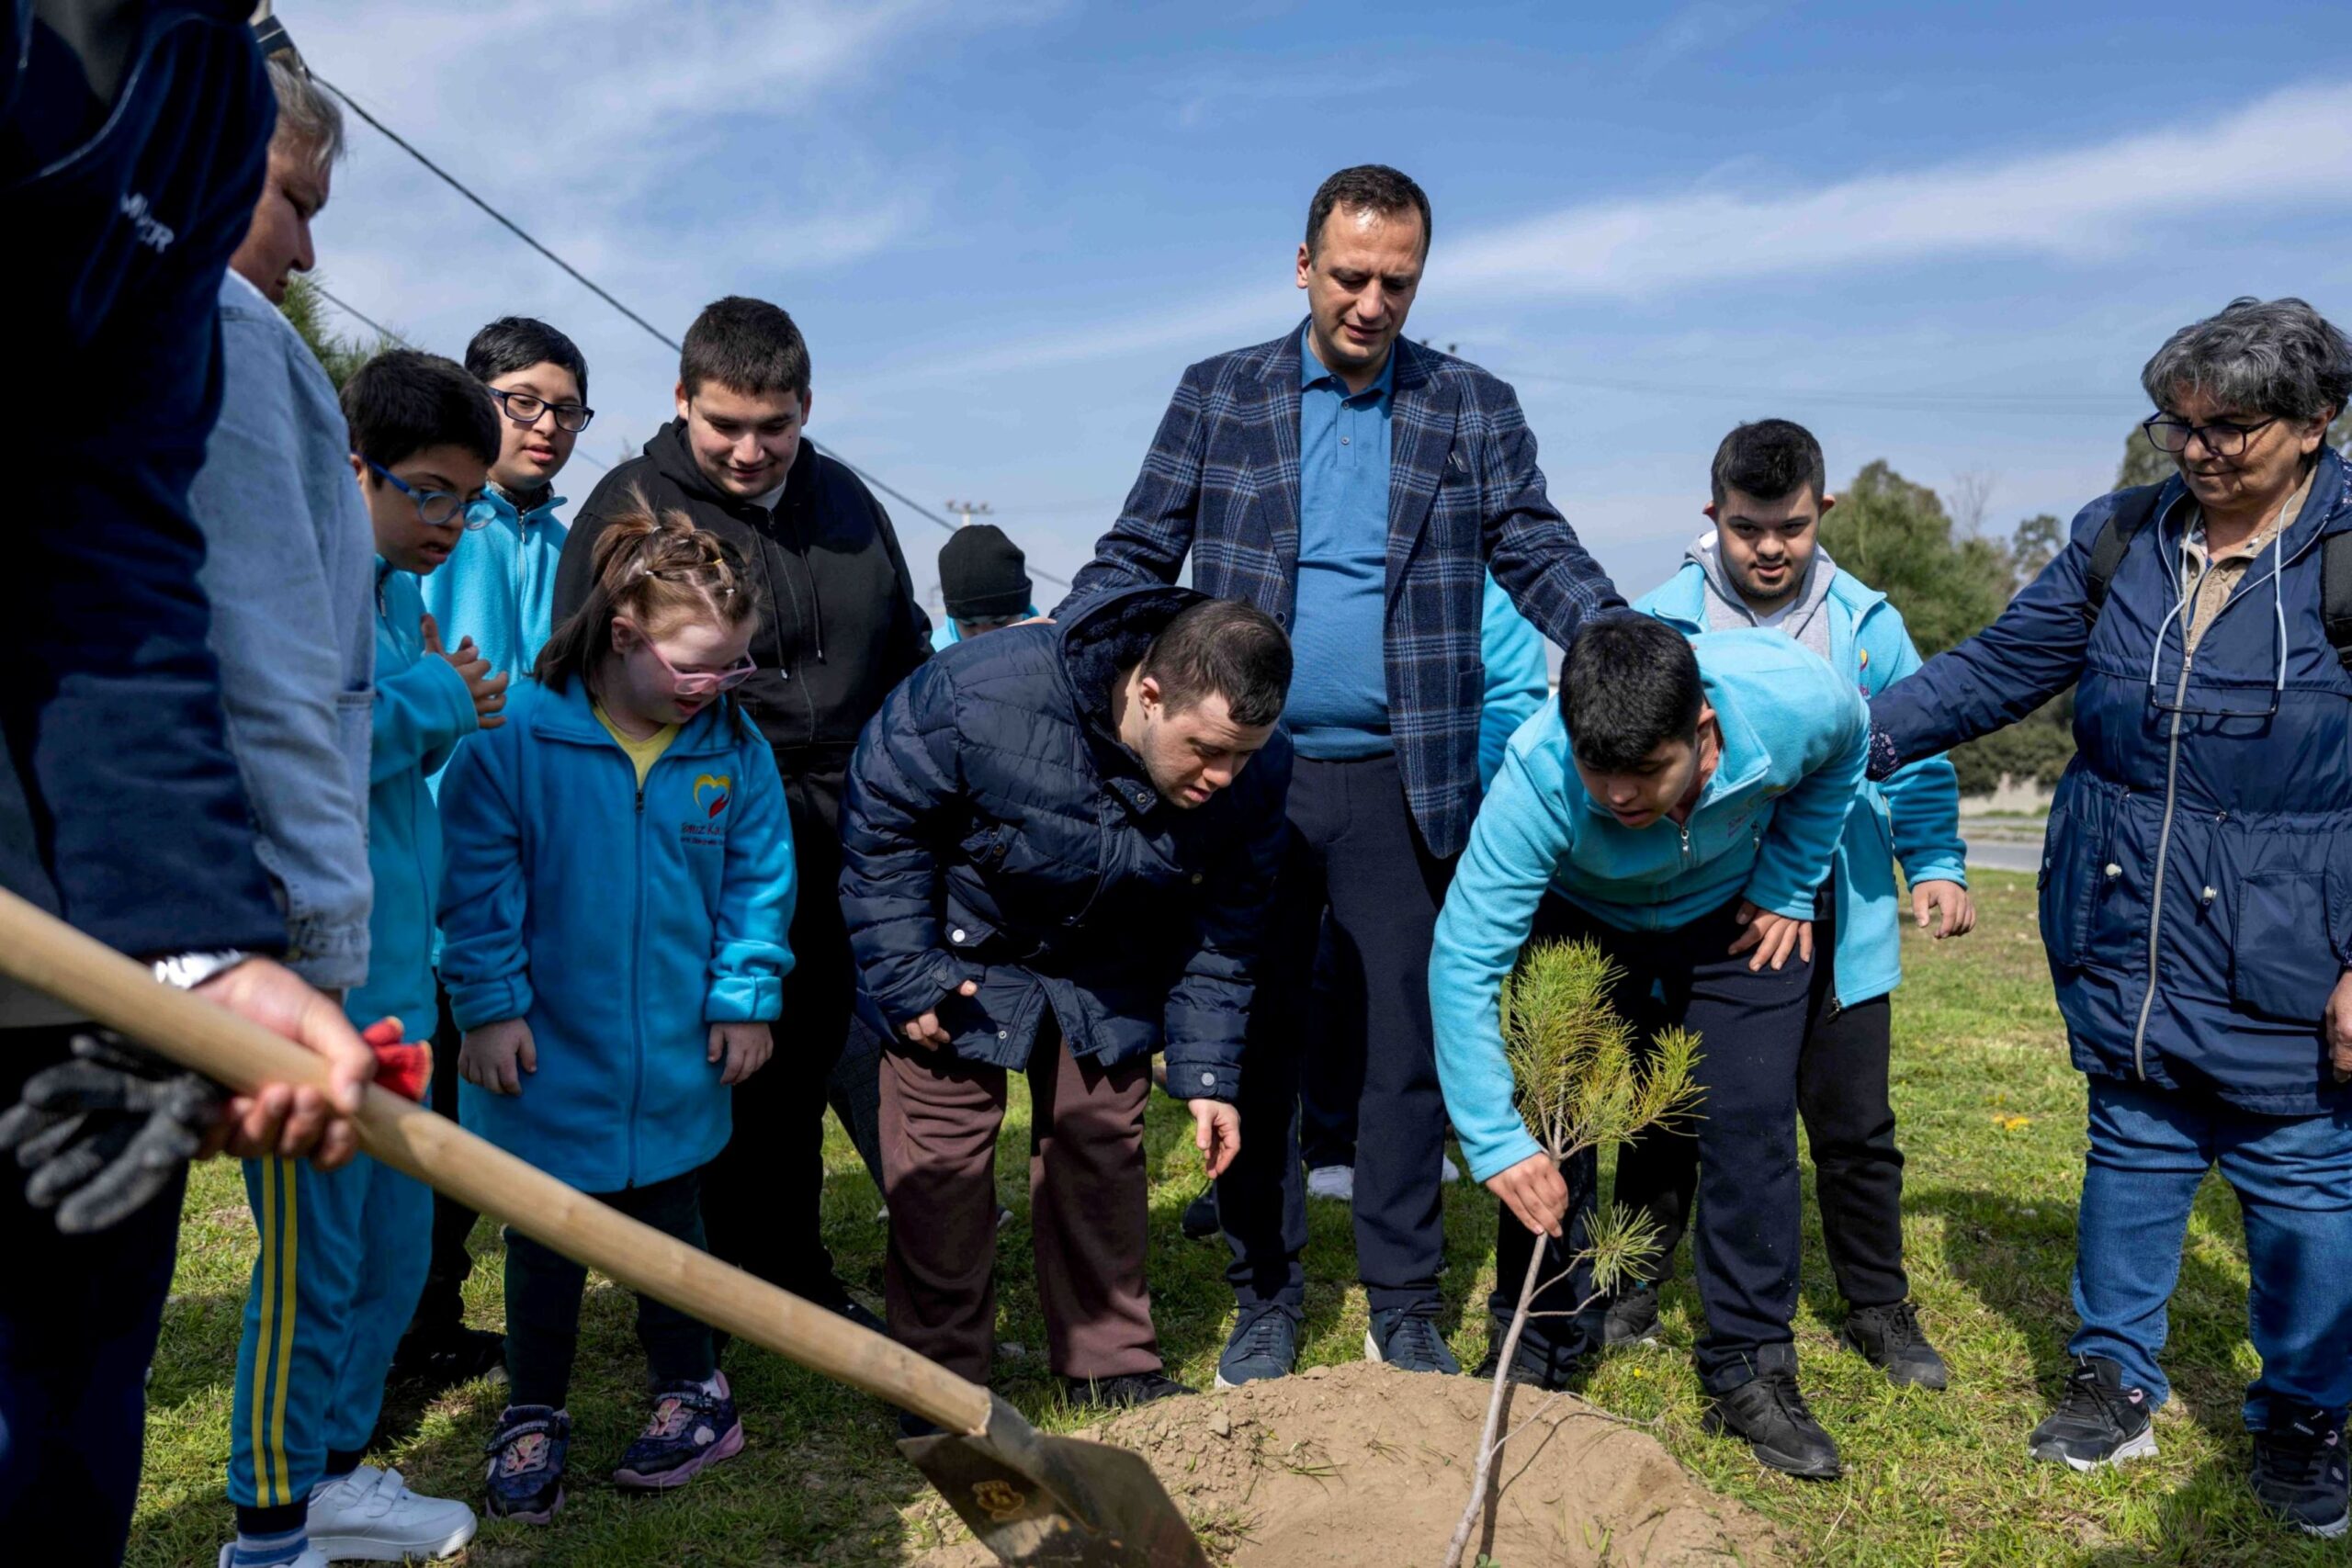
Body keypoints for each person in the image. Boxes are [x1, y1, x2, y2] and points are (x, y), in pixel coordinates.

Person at [1058, 164, 1622, 1388]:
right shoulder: (1221, 395)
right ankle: (1266, 1289)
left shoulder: (1472, 405)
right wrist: (1067, 650)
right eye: (1352, 275)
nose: (1372, 302)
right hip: (1250, 775)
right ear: (1303, 264)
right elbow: (1143, 540)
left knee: (1408, 1048)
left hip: (1404, 780)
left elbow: (1532, 539)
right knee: (1257, 1034)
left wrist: (1613, 634)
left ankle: (1404, 1301)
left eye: (1399, 282)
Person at [1867, 297, 2352, 1538]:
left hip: (2298, 935)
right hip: (2127, 917)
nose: (2195, 450)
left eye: (2228, 427)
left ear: (2316, 423)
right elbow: (1991, 669)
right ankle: (2113, 1376)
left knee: (2300, 1178)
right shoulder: (2120, 537)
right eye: (2175, 422)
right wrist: (1847, 737)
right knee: (2133, 1143)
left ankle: (2305, 1413)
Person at [0, 12, 376, 1560]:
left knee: (69, 1412)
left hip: (69, 927)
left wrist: (198, 936)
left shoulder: (199, 89)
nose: (293, 251)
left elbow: (105, 539)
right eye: (295, 212)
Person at [553, 296, 929, 1333]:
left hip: (852, 817)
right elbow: (577, 683)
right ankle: (703, 1289)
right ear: (680, 402)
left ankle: (786, 1266)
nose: (752, 450)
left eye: (776, 426)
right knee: (723, 1051)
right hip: (698, 820)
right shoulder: (626, 506)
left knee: (804, 1048)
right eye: (725, 425)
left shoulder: (849, 501)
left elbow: (903, 656)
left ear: (807, 408)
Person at [1430, 613, 1866, 1479]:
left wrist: (1790, 880)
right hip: (1586, 915)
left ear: (1703, 733)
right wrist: (1494, 1139)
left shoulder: (1795, 702)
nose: (1620, 797)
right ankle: (1539, 1345)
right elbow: (1464, 957)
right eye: (1601, 773)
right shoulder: (1539, 774)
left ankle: (1750, 1365)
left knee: (1748, 1118)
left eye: (1645, 774)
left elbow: (1849, 747)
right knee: (1560, 1119)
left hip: (1735, 914)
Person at [842, 588, 1288, 1423]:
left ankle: (1107, 1361)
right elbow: (884, 821)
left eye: (1245, 755)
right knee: (941, 1168)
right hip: (960, 940)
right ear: (1149, 693)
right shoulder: (979, 691)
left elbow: (1228, 929)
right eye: (1207, 750)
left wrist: (1204, 1071)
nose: (1223, 776)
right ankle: (940, 1383)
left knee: (1101, 1150)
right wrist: (907, 974)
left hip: (1113, 951)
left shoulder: (1257, 770)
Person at [444, 501, 793, 1522]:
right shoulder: (510, 740)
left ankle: (691, 1394)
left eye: (734, 667)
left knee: (671, 1229)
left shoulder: (732, 748)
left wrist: (744, 996)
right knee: (543, 1242)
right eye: (695, 668)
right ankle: (533, 1410)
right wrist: (490, 1006)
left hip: (677, 1060)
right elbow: (474, 888)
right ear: (625, 633)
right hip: (548, 1056)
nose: (715, 689)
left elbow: (758, 881)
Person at [1614, 419, 1973, 1386]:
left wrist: (1934, 860)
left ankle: (1877, 1307)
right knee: (1670, 1109)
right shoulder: (1658, 621)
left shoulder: (1868, 623)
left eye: (1790, 527)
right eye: (1746, 529)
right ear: (1712, 518)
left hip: (1835, 907)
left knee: (1853, 1124)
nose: (1768, 548)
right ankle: (1633, 1284)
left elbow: (1917, 751)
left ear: (1823, 512)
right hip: (1694, 912)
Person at [1182, 574, 1544, 1237]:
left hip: (1410, 793)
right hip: (1275, 777)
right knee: (1282, 994)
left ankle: (1402, 1223)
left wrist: (1454, 791)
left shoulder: (1468, 577)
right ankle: (1266, 1178)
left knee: (1402, 1002)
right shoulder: (1283, 554)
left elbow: (1512, 695)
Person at [400, 314, 594, 1390]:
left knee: (496, 1104)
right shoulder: (431, 530)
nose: (546, 426)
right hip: (424, 860)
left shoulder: (578, 545)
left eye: (566, 409)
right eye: (523, 401)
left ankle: (451, 1314)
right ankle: (404, 1329)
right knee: (420, 1108)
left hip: (533, 867)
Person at [931, 522, 1039, 649]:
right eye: (969, 624)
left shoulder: (1048, 648)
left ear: (1021, 611)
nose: (984, 634)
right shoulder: (932, 658)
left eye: (998, 621)